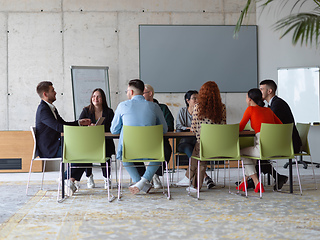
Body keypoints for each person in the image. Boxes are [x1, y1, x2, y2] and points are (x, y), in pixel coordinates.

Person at [110, 79, 168, 195]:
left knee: (123, 156)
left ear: (131, 92)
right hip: (152, 150)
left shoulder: (122, 106)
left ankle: (138, 182)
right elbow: (164, 129)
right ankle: (143, 181)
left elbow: (114, 130)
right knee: (159, 156)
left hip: (130, 150)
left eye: (127, 91)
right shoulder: (154, 107)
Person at [35, 81, 91, 196]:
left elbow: (63, 123)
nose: (55, 92)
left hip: (58, 144)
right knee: (85, 152)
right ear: (45, 94)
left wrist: (79, 123)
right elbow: (58, 127)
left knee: (87, 151)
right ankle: (65, 179)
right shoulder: (43, 110)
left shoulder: (51, 108)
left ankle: (68, 180)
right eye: (52, 90)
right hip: (49, 149)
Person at [259, 79, 302, 190]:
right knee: (259, 151)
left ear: (270, 91)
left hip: (289, 144)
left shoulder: (277, 105)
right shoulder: (274, 104)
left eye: (262, 89)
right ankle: (270, 178)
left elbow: (270, 127)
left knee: (259, 150)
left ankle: (253, 180)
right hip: (284, 141)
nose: (260, 92)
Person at [238, 88, 282, 193]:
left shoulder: (250, 110)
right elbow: (281, 126)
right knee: (251, 156)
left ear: (249, 99)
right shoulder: (268, 110)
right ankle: (244, 181)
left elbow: (240, 128)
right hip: (276, 149)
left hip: (262, 149)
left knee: (241, 152)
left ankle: (256, 182)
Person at [185, 81, 226, 192]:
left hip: (203, 145)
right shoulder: (222, 107)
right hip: (219, 145)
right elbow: (223, 126)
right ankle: (193, 184)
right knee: (199, 152)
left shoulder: (197, 107)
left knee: (199, 151)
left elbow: (193, 128)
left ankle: (189, 179)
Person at [175, 90, 215, 189]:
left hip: (198, 141)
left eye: (198, 98)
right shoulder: (183, 111)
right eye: (194, 98)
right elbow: (179, 126)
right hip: (185, 141)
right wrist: (189, 128)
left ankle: (190, 178)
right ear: (188, 100)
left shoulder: (202, 112)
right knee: (192, 152)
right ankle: (206, 177)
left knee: (198, 151)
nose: (197, 100)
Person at [78, 88, 116, 189]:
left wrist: (99, 128)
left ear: (103, 98)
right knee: (87, 152)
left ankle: (106, 179)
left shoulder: (109, 112)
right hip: (89, 141)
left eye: (98, 96)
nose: (96, 98)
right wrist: (88, 127)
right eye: (94, 96)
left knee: (106, 151)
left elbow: (113, 128)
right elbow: (79, 125)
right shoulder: (86, 110)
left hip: (105, 141)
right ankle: (89, 177)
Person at [143, 84, 174, 189]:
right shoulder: (138, 109)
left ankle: (154, 175)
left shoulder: (162, 108)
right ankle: (142, 178)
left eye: (143, 93)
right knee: (127, 151)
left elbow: (170, 126)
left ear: (150, 93)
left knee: (166, 150)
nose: (140, 95)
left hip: (160, 141)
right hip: (141, 142)